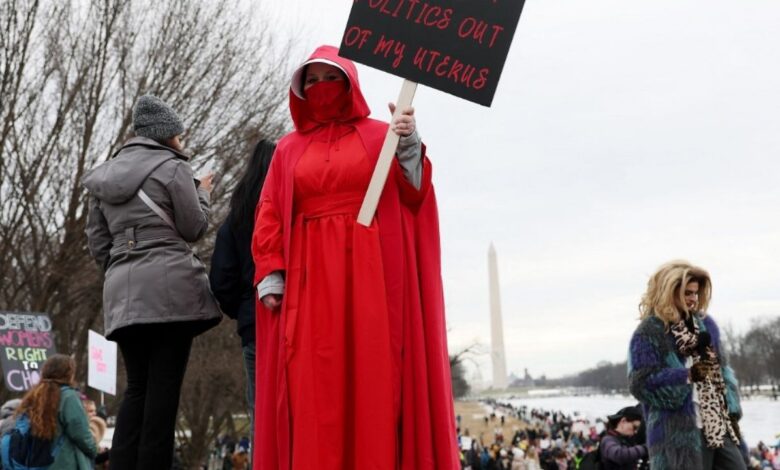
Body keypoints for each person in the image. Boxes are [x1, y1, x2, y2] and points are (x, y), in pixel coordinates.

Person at [251, 45, 459, 469]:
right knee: (313, 382)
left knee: (376, 377)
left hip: (371, 274)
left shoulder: (380, 134)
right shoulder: (287, 151)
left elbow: (414, 191)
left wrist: (408, 142)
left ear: (348, 83)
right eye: (311, 80)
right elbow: (269, 211)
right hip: (309, 283)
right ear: (300, 89)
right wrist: (271, 270)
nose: (320, 87)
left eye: (330, 77)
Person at [84, 94, 222, 469]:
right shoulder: (174, 168)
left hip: (122, 294)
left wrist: (123, 268)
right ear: (166, 134)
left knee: (138, 388)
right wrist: (203, 192)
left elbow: (97, 242)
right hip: (170, 292)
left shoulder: (104, 177)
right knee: (163, 390)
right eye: (179, 133)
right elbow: (193, 227)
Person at [629, 260, 746, 470]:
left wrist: (732, 408)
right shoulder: (650, 332)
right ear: (668, 292)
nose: (693, 299)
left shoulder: (706, 325)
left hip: (717, 423)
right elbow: (640, 382)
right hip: (678, 430)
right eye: (687, 293)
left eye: (695, 293)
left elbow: (724, 370)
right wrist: (686, 376)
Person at [210, 139, 275, 443]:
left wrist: (243, 310)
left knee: (260, 414)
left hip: (253, 325)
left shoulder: (234, 222)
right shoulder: (289, 212)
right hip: (294, 318)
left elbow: (221, 280)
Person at [14, 354, 97, 469]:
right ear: (68, 373)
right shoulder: (68, 397)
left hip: (37, 462)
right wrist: (94, 450)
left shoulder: (34, 395)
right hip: (63, 462)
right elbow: (80, 433)